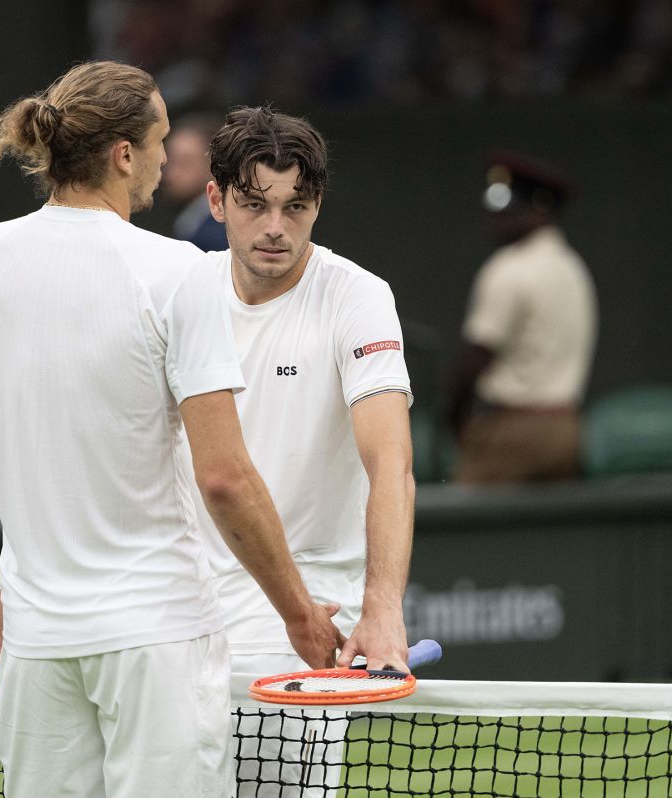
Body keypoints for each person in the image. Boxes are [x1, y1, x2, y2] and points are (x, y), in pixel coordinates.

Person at [0, 61, 342, 798]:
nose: (163, 158)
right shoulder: (179, 271)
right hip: (156, 642)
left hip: (39, 650)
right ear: (125, 154)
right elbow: (223, 476)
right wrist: (302, 616)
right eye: (159, 140)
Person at [198, 106, 414, 795]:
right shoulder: (177, 292)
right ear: (215, 199)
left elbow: (392, 464)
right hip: (178, 604)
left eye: (295, 206)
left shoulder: (358, 298)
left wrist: (381, 607)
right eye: (254, 204)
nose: (274, 228)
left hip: (304, 610)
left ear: (317, 204)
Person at [448, 149, 597, 483]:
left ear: (539, 211)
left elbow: (477, 356)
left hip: (513, 430)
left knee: (461, 529)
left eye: (511, 209)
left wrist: (454, 419)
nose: (496, 217)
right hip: (565, 427)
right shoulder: (572, 267)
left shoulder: (509, 268)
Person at [161, 113, 228, 251]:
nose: (171, 174)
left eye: (185, 162)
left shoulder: (215, 236)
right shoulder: (192, 223)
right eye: (170, 161)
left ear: (215, 166)